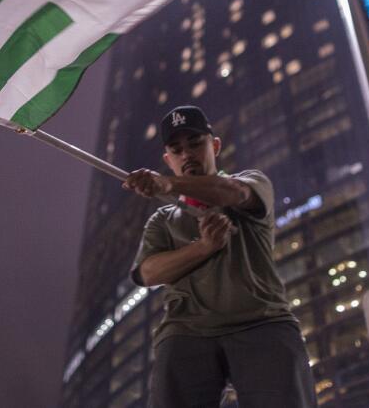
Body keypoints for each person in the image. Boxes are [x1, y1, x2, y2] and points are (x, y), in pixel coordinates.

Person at [123, 105, 317, 408]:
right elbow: (147, 273)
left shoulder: (250, 183)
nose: (186, 154)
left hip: (261, 322)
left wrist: (168, 183)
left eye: (195, 143)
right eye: (177, 149)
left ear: (214, 145)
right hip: (187, 331)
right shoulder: (162, 220)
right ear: (168, 159)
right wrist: (203, 247)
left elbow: (234, 194)